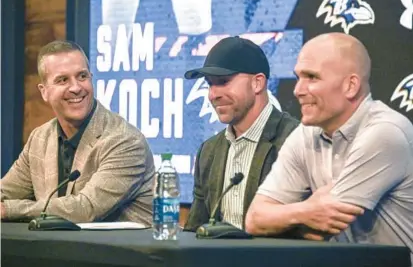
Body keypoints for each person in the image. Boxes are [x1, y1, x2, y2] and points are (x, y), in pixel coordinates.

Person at [245, 33, 413, 259]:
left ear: (350, 86)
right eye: (298, 77)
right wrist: (307, 211)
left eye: (312, 77)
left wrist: (287, 217)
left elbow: (326, 226)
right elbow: (255, 219)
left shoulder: (386, 132)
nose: (298, 90)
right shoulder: (304, 135)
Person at [1, 40, 155, 225]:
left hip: (121, 252)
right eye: (62, 80)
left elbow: (86, 209)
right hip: (57, 251)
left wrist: (9, 209)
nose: (75, 88)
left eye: (82, 76)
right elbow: (5, 192)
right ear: (44, 92)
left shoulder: (125, 140)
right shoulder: (39, 138)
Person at [183, 36, 299, 231]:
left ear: (257, 83)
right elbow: (195, 229)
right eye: (210, 84)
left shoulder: (296, 140)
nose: (213, 94)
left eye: (223, 81)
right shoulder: (209, 151)